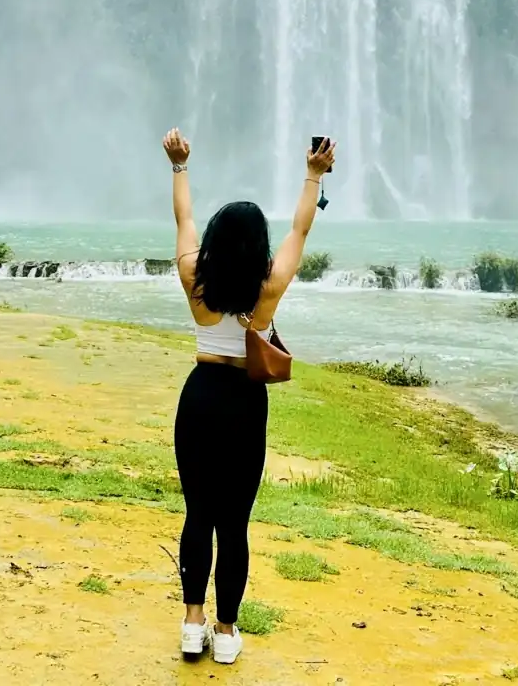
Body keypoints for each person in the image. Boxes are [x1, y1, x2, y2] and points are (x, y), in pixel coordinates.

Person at [162, 127, 336, 665]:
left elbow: (183, 221)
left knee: (197, 514)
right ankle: (227, 630)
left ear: (215, 239)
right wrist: (314, 175)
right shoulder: (269, 285)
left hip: (199, 397)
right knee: (234, 521)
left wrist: (179, 166)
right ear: (257, 245)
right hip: (243, 402)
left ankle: (192, 624)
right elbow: (300, 231)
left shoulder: (195, 276)